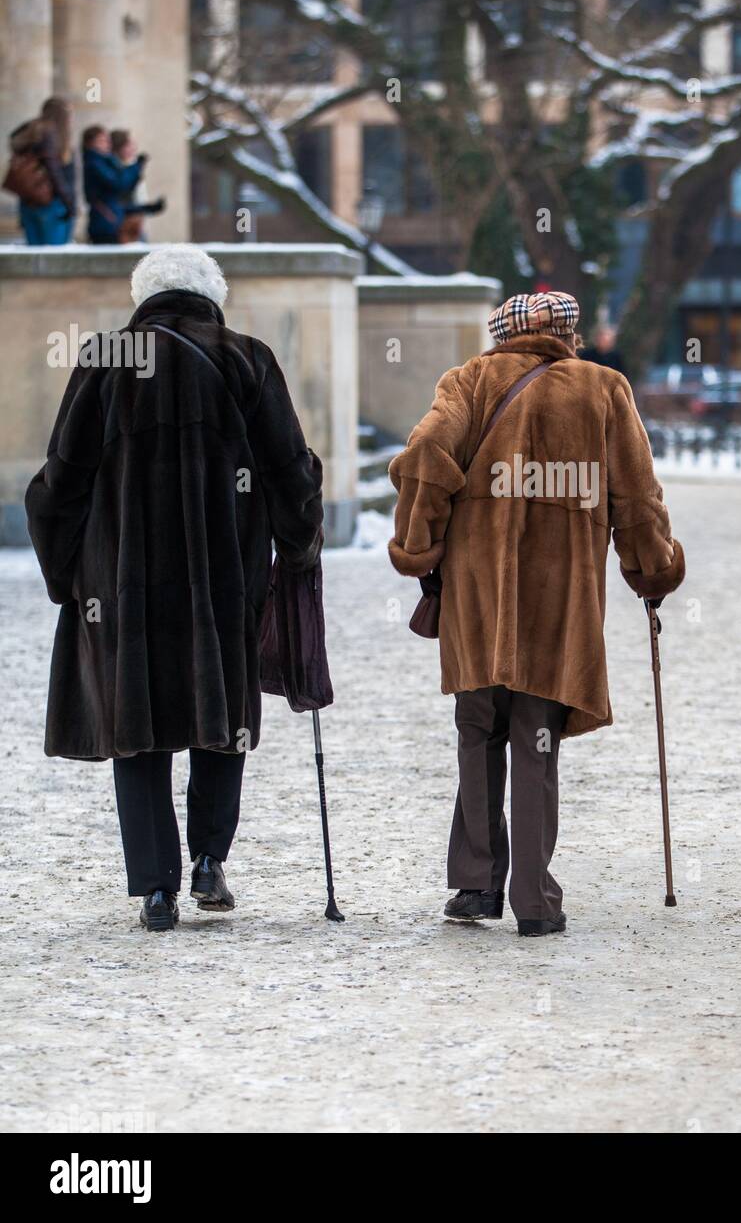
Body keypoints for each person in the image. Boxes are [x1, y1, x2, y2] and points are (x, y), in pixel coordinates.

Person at [25, 245, 324, 931]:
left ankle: (157, 888)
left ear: (144, 296)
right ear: (211, 295)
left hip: (121, 578)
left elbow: (60, 482)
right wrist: (299, 548)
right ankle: (209, 861)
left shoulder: (105, 359)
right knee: (222, 716)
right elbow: (291, 471)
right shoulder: (247, 357)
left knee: (139, 720)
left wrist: (66, 572)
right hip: (225, 576)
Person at [388, 290, 685, 937]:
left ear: (500, 334)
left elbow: (425, 460)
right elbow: (637, 499)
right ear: (571, 335)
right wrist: (652, 572)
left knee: (476, 728)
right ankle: (534, 899)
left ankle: (474, 884)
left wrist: (417, 547)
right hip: (560, 597)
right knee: (535, 737)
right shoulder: (605, 389)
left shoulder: (468, 380)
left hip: (476, 591)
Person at [6, 96, 77, 245]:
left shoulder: (31, 132)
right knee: (55, 259)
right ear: (61, 115)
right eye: (69, 115)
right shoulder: (50, 134)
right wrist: (69, 204)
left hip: (28, 202)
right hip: (52, 204)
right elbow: (54, 172)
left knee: (35, 257)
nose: (72, 119)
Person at [82, 126, 163, 244]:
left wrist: (147, 208)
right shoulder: (95, 163)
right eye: (101, 141)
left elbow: (118, 201)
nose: (106, 145)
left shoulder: (106, 163)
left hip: (116, 222)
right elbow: (119, 185)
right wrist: (136, 167)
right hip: (108, 224)